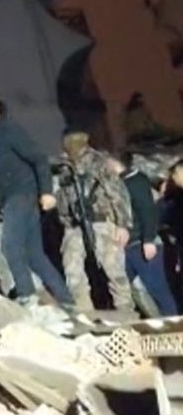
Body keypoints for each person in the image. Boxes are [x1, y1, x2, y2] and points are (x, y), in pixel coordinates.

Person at [0, 92, 76, 310]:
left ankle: (27, 295)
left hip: (22, 193)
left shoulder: (9, 131)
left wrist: (46, 191)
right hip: (10, 200)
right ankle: (66, 299)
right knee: (34, 254)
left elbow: (38, 158)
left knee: (10, 246)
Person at [54, 131, 134, 313]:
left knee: (114, 271)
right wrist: (66, 221)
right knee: (72, 270)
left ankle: (126, 313)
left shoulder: (99, 162)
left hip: (102, 222)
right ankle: (85, 313)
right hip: (75, 225)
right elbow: (62, 198)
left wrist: (123, 225)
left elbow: (118, 193)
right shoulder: (65, 167)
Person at [111, 155, 178, 316]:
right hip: (128, 246)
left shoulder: (135, 181)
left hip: (141, 244)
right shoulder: (118, 184)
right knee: (138, 293)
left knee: (158, 290)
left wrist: (148, 240)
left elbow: (148, 211)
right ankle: (159, 325)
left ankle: (175, 329)